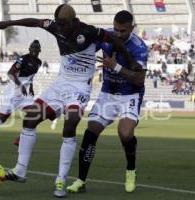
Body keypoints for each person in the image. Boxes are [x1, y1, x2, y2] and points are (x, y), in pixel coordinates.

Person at [0, 4, 139, 198]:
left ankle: (60, 180)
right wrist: (8, 23)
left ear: (74, 22)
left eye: (64, 24)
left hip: (79, 88)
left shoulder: (89, 31)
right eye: (58, 24)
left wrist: (130, 60)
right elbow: (33, 22)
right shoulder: (55, 26)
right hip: (60, 84)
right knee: (30, 118)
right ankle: (20, 170)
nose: (60, 28)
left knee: (70, 125)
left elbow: (115, 41)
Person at [67, 10, 148, 194]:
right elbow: (85, 47)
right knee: (91, 131)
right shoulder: (105, 36)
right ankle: (80, 181)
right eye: (116, 29)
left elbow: (139, 80)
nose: (118, 34)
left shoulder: (139, 47)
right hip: (107, 93)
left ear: (132, 28)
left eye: (123, 31)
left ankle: (131, 171)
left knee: (125, 134)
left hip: (130, 94)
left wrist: (116, 67)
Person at [0, 40, 42, 153]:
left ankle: (20, 139)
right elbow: (10, 73)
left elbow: (31, 77)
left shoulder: (39, 62)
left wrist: (30, 87)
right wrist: (20, 85)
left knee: (35, 114)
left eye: (37, 50)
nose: (34, 51)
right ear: (29, 49)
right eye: (33, 49)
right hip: (13, 92)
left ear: (39, 51)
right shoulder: (22, 59)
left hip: (25, 94)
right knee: (2, 119)